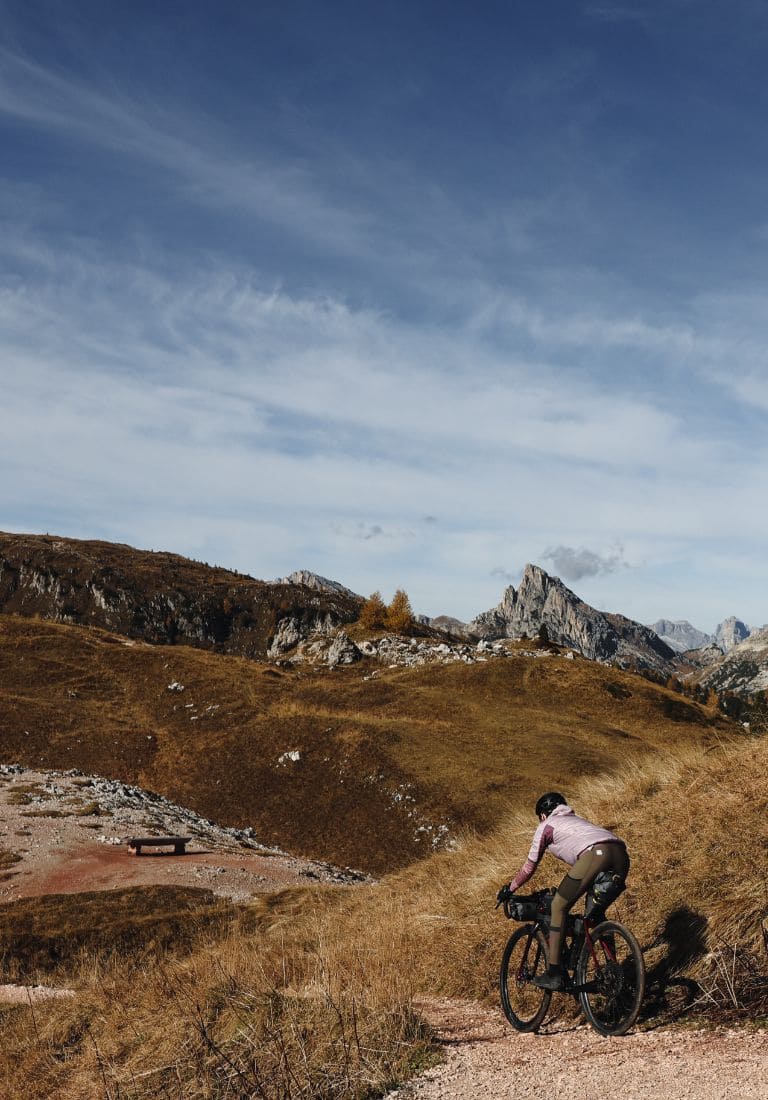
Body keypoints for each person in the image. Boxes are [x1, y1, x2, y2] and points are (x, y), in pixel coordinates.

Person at [500, 792, 630, 990]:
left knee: (559, 905)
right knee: (594, 917)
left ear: (543, 814)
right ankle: (613, 973)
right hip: (621, 855)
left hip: (596, 854)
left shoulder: (546, 826)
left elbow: (529, 867)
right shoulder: (575, 820)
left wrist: (509, 888)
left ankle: (554, 974)